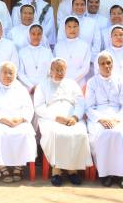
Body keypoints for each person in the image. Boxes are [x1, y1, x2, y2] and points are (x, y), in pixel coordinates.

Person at [33, 58, 92, 186]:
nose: (60, 73)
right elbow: (39, 107)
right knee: (57, 134)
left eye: (62, 70)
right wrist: (55, 117)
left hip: (71, 115)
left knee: (80, 134)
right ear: (51, 70)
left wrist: (75, 117)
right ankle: (56, 171)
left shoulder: (72, 83)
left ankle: (73, 170)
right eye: (57, 70)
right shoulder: (42, 85)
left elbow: (80, 102)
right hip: (51, 117)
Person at [85, 52, 123, 188]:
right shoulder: (92, 82)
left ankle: (121, 173)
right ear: (98, 66)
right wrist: (101, 119)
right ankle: (106, 173)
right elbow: (89, 107)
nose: (106, 66)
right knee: (103, 134)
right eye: (103, 63)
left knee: (119, 133)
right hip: (98, 117)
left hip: (118, 116)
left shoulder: (121, 80)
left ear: (113, 64)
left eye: (108, 63)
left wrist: (117, 119)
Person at [0, 61, 37, 183]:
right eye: (5, 72)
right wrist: (5, 120)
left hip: (19, 120)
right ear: (0, 73)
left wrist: (20, 119)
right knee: (1, 133)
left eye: (11, 73)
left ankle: (19, 165)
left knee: (26, 133)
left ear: (15, 75)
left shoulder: (21, 89)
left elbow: (28, 108)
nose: (8, 75)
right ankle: (2, 166)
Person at [53, 16, 92, 87]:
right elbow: (55, 66)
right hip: (61, 83)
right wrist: (63, 79)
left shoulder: (85, 45)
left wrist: (71, 81)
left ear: (79, 28)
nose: (72, 29)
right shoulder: (58, 46)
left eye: (75, 26)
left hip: (80, 83)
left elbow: (86, 68)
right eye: (69, 27)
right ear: (65, 29)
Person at [17, 23, 53, 92]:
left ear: (42, 35)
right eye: (33, 34)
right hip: (27, 88)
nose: (36, 37)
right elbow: (20, 72)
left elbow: (51, 71)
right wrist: (31, 86)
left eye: (39, 34)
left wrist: (41, 86)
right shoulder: (22, 52)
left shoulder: (48, 52)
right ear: (29, 35)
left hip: (44, 88)